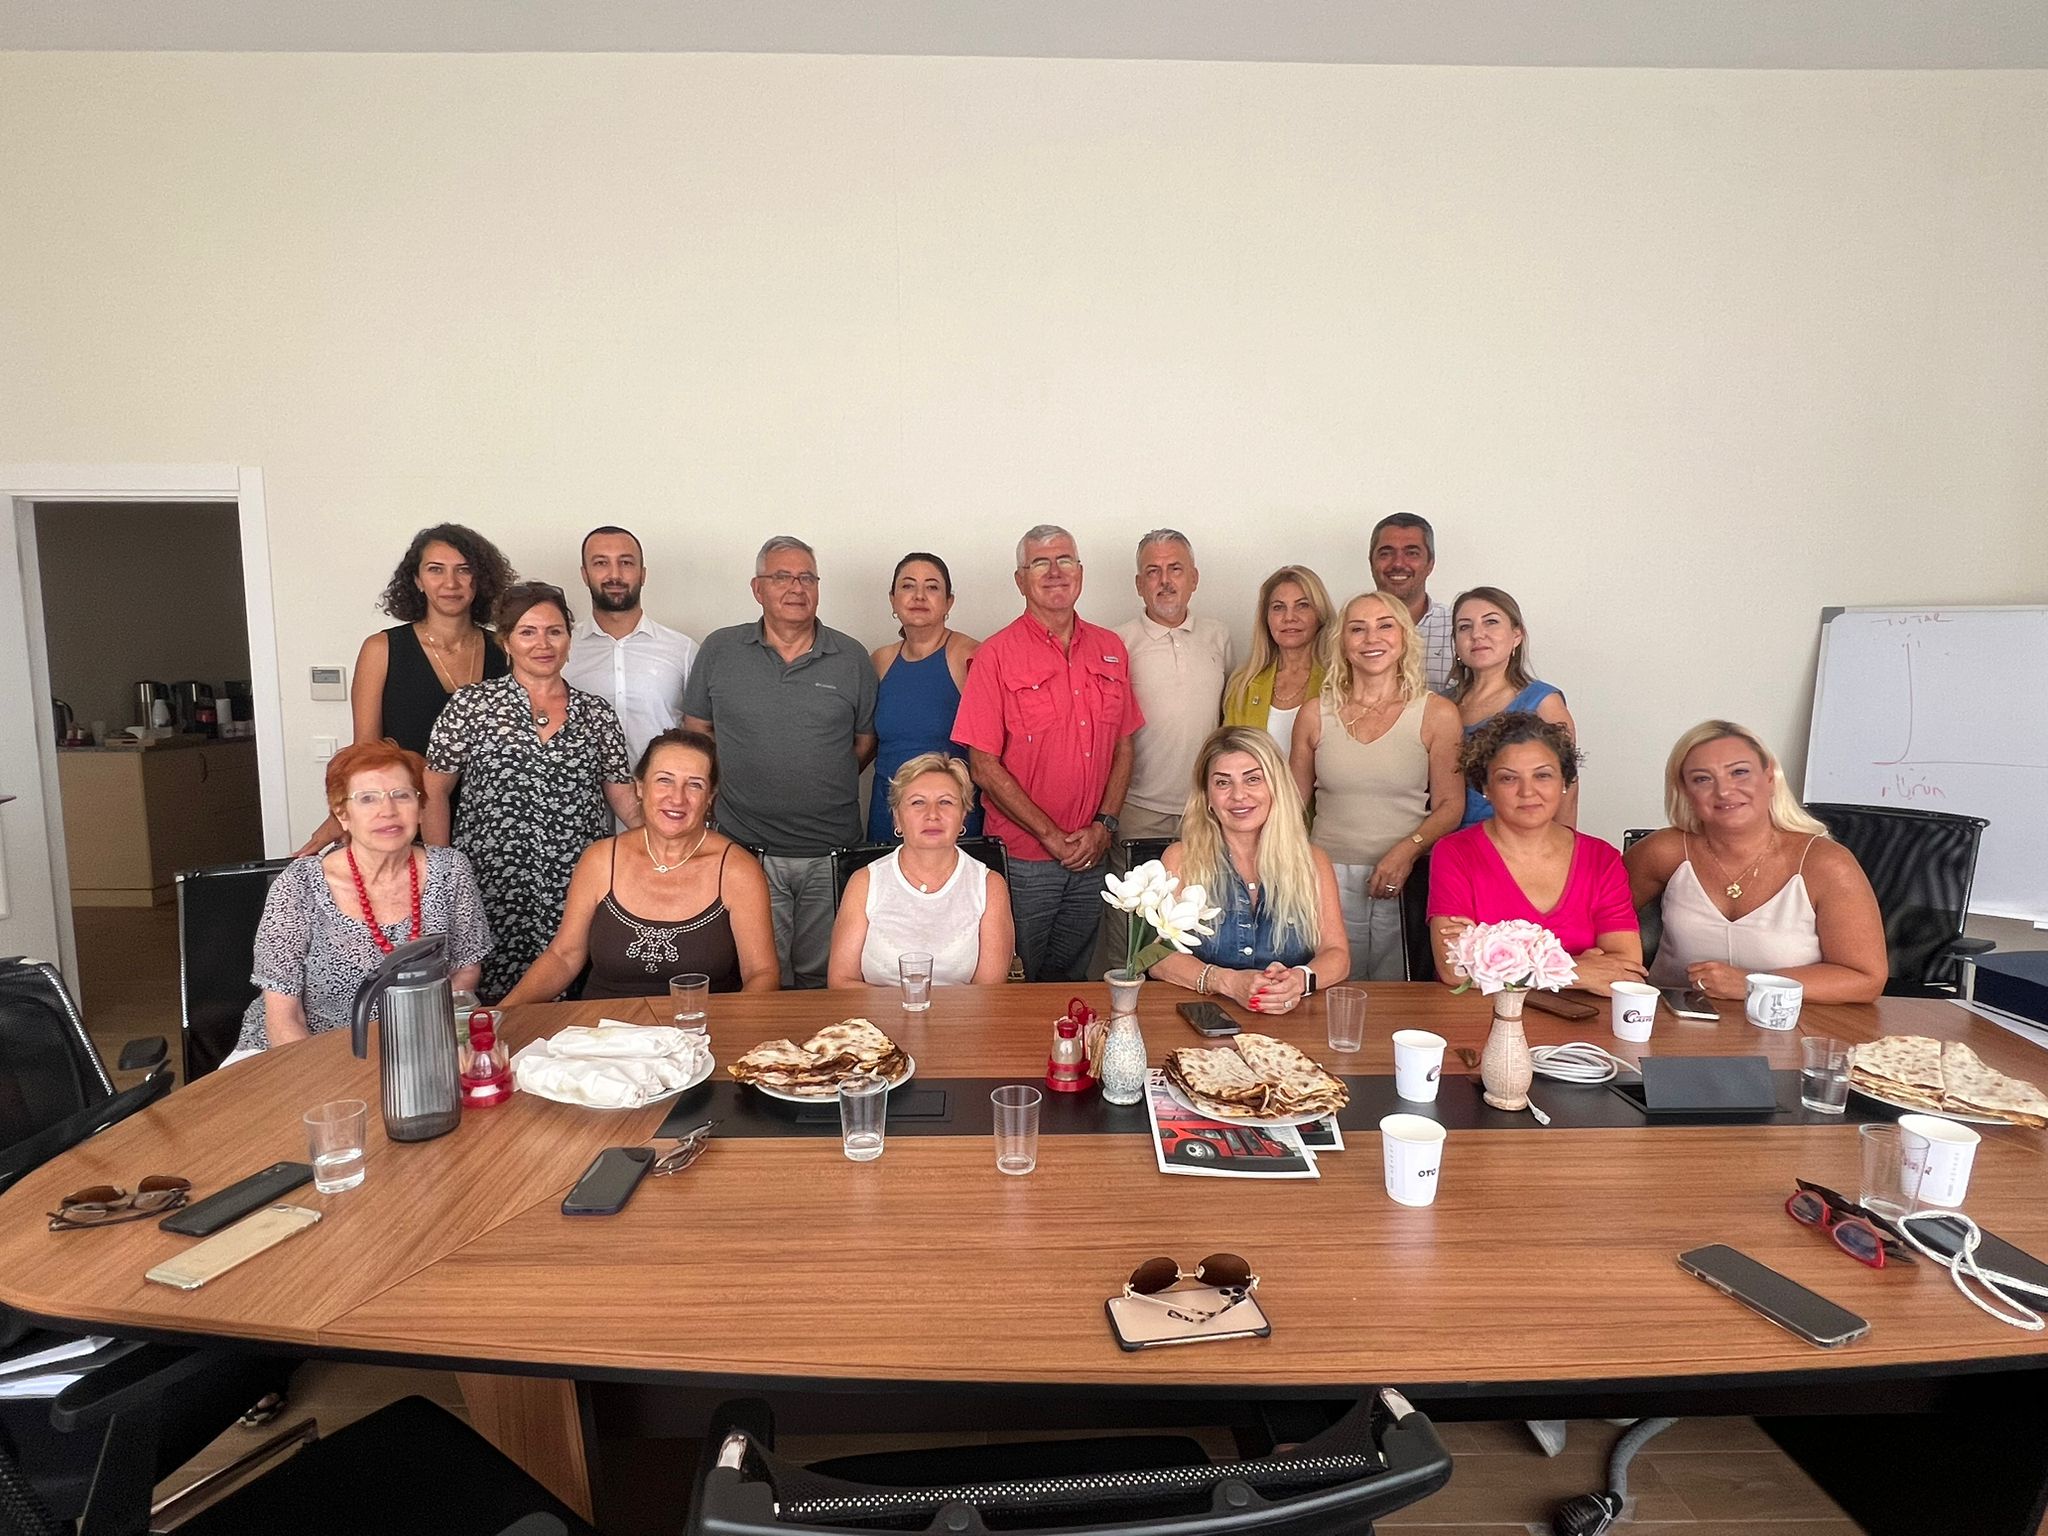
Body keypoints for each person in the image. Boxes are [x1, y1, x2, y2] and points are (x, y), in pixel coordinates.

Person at [424, 582, 639, 1001]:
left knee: (573, 1000)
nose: (543, 644)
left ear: (569, 641)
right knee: (489, 1004)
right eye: (528, 632)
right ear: (506, 641)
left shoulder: (596, 713)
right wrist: (443, 874)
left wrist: (677, 839)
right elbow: (432, 791)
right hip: (489, 885)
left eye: (554, 632)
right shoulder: (471, 705)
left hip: (576, 885)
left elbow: (624, 800)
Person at [682, 536, 879, 989]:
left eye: (807, 577)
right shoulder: (720, 650)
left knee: (824, 980)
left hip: (830, 852)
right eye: (782, 577)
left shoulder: (851, 656)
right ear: (758, 589)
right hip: (745, 850)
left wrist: (818, 779)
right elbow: (698, 730)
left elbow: (865, 742)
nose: (796, 587)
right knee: (757, 977)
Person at [954, 525, 1143, 983]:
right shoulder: (995, 655)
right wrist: (1052, 836)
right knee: (1015, 982)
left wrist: (1104, 826)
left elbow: (1124, 744)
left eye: (1065, 561)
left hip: (1093, 853)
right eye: (1040, 562)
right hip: (1024, 861)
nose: (1055, 571)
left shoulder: (1111, 649)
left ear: (1081, 573)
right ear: (1021, 580)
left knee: (1071, 980)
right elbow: (983, 766)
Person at [236, 741, 489, 1053]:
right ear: (342, 814)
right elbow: (284, 1016)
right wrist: (331, 1078)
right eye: (367, 798)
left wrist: (420, 1048)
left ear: (421, 808)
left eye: (402, 795)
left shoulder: (450, 870)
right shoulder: (300, 885)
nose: (388, 810)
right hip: (298, 1054)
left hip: (417, 1051)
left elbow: (465, 969)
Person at [499, 728, 777, 1004]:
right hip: (603, 1027)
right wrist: (503, 1014)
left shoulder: (737, 870)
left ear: (710, 798)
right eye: (664, 780)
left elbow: (761, 973)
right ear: (640, 787)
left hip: (698, 1026)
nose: (677, 798)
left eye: (694, 785)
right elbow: (564, 956)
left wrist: (727, 1026)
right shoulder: (600, 859)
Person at [1626, 720, 1887, 1003]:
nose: (1724, 791)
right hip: (1667, 1020)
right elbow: (1594, 920)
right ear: (1685, 791)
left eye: (1739, 772)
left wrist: (1753, 984)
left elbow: (1865, 979)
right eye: (1702, 779)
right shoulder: (1663, 851)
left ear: (1770, 778)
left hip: (1790, 1025)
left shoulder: (1826, 864)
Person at [293, 524, 514, 855]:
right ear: (417, 580)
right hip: (404, 820)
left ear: (480, 580)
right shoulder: (381, 649)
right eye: (435, 569)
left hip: (494, 821)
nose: (450, 583)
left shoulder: (506, 650)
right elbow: (366, 751)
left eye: (464, 570)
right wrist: (344, 815)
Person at [1290, 591, 1462, 980]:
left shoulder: (1437, 713)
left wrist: (1406, 851)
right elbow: (1291, 804)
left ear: (1404, 638)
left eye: (1385, 626)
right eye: (1358, 629)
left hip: (1405, 876)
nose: (1372, 639)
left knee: (1397, 992)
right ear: (1342, 643)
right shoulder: (1315, 714)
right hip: (1325, 874)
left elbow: (1451, 806)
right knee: (1330, 985)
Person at [1428, 713, 1645, 994]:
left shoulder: (1602, 858)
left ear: (1564, 781)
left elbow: (1626, 968)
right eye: (1508, 778)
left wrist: (1494, 966)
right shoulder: (1455, 853)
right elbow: (1454, 969)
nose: (1527, 792)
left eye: (1542, 775)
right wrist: (1575, 971)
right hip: (1484, 1015)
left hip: (1584, 1016)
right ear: (1485, 788)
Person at [1150, 728, 1349, 1013]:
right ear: (1207, 796)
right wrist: (1228, 982)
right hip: (1204, 1019)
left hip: (1291, 1019)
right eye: (1223, 783)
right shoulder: (1181, 858)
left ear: (1275, 786)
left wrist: (1298, 980)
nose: (1239, 795)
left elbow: (1337, 953)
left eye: (1253, 779)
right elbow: (1156, 955)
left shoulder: (1313, 861)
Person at [828, 753, 1015, 988]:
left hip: (965, 1013)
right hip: (874, 1013)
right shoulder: (864, 882)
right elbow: (841, 981)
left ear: (963, 817)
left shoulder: (989, 885)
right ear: (897, 818)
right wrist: (909, 1006)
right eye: (918, 802)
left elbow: (989, 990)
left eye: (946, 802)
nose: (932, 814)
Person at [1115, 530, 1234, 843]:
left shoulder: (1218, 636)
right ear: (1139, 584)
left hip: (1206, 806)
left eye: (1175, 569)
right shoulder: (1118, 643)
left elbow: (1227, 716)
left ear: (1194, 578)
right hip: (1139, 809)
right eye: (1153, 571)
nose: (1165, 581)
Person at [560, 525, 699, 765]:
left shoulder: (683, 650)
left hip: (661, 788)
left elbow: (699, 734)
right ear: (584, 575)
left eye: (626, 563)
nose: (614, 575)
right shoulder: (561, 649)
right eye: (601, 563)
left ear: (643, 574)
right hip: (580, 788)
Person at [867, 552, 982, 843]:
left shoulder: (968, 655)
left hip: (947, 820)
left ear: (948, 602)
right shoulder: (880, 660)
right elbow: (866, 742)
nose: (919, 596)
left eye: (932, 587)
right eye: (908, 586)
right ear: (893, 599)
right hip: (887, 814)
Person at [1447, 586, 1577, 828]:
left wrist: (1563, 844)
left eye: (1491, 622)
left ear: (1516, 635)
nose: (1477, 634)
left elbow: (1567, 787)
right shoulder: (1440, 705)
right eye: (1465, 627)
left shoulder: (1543, 702)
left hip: (1517, 840)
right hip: (1446, 842)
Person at [1222, 564, 1335, 759]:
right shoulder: (1243, 685)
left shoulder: (1340, 681)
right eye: (1278, 607)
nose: (1289, 617)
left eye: (1302, 605)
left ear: (1320, 615)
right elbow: (1227, 756)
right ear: (1266, 619)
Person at [1369, 512, 1453, 695]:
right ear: (1371, 562)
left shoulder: (1458, 629)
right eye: (1386, 553)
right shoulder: (1346, 631)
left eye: (1412, 553)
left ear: (1430, 564)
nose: (1398, 563)